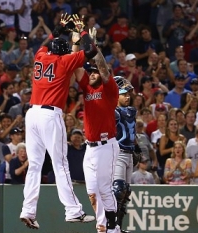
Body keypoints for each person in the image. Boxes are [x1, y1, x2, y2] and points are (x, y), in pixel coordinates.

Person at [20, 13, 98, 229]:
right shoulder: (64, 61)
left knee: (34, 165)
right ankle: (73, 210)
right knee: (60, 163)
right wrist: (81, 30)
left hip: (32, 113)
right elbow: (91, 51)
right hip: (49, 114)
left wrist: (59, 28)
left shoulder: (40, 55)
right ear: (64, 53)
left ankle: (28, 210)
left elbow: (46, 43)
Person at [72, 26, 120, 233]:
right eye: (89, 71)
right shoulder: (87, 87)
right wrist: (75, 43)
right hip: (90, 147)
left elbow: (102, 66)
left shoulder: (109, 88)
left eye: (93, 72)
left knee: (104, 189)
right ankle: (102, 226)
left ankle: (113, 227)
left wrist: (89, 40)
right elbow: (75, 67)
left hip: (106, 145)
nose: (90, 74)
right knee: (92, 192)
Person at [113, 76, 137, 233]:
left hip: (129, 154)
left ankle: (118, 227)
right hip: (118, 153)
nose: (127, 97)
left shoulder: (131, 110)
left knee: (125, 192)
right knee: (118, 190)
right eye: (124, 94)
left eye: (128, 94)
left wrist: (137, 148)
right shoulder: (112, 111)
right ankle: (111, 226)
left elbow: (131, 131)